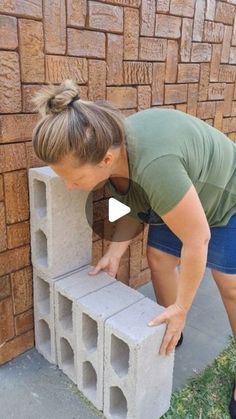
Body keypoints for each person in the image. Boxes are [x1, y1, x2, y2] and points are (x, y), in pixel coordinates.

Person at [31, 79, 236, 417]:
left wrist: (184, 305)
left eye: (74, 178)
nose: (70, 186)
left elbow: (197, 239)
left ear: (106, 159)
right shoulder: (112, 157)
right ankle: (172, 331)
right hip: (183, 194)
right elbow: (128, 206)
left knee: (229, 284)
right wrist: (113, 254)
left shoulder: (156, 168)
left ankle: (180, 318)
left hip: (225, 192)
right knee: (157, 257)